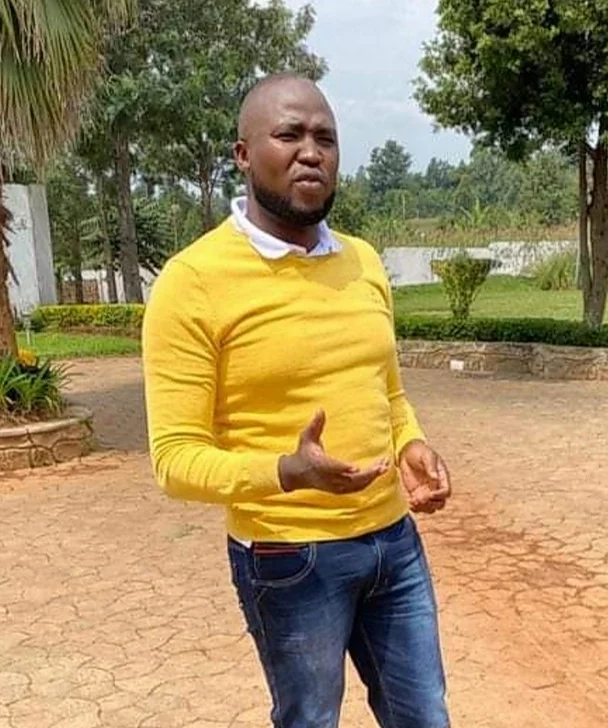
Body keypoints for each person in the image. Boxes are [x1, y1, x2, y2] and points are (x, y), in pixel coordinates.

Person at [141, 73, 453, 728]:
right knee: (309, 720)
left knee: (425, 716)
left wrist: (411, 443)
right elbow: (174, 459)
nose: (311, 152)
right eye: (289, 135)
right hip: (289, 557)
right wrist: (287, 471)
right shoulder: (193, 282)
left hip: (393, 542)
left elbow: (388, 391)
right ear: (243, 154)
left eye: (325, 138)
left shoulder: (363, 262)